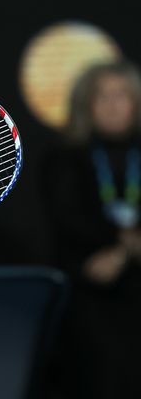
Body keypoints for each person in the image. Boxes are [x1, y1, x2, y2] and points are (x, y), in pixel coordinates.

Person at [42, 60, 141, 398]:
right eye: (103, 97)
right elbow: (67, 220)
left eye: (121, 95)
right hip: (85, 291)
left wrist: (125, 250)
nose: (113, 105)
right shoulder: (63, 159)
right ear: (86, 104)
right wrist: (118, 247)